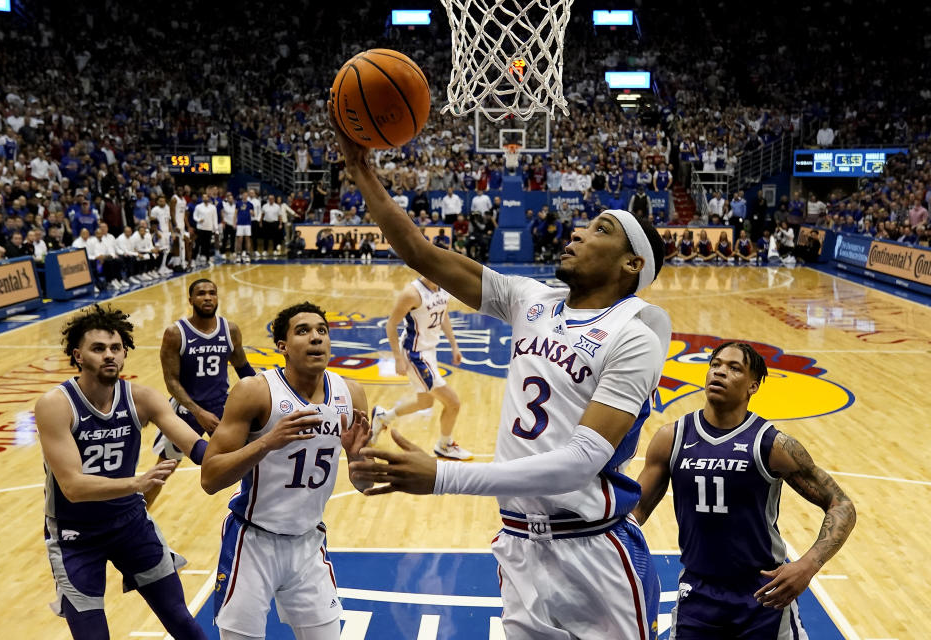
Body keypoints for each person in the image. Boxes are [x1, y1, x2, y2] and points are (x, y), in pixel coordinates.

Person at [332, 107, 671, 640]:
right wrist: (363, 172)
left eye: (600, 230)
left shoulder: (635, 335)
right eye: (584, 225)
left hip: (593, 550)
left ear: (632, 265)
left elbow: (579, 464)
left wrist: (444, 477)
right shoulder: (531, 299)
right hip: (516, 543)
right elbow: (422, 253)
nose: (578, 233)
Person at [632, 342, 855, 638]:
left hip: (763, 593)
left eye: (734, 368)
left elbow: (841, 504)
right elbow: (635, 514)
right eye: (716, 365)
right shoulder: (671, 438)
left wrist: (808, 565)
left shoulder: (772, 445)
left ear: (753, 386)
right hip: (698, 592)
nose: (720, 372)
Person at [33, 305, 209, 640]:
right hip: (75, 536)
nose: (109, 355)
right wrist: (136, 483)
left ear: (125, 353)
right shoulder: (55, 404)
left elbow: (198, 449)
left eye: (116, 348)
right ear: (78, 355)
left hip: (132, 526)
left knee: (183, 622)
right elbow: (73, 486)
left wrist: (257, 447)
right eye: (98, 349)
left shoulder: (142, 398)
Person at [201, 302, 373, 640]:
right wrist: (267, 442)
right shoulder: (255, 392)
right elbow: (209, 477)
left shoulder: (350, 394)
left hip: (309, 543)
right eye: (303, 331)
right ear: (282, 347)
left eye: (322, 331)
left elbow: (363, 484)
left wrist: (357, 460)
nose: (316, 338)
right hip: (252, 542)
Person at [145, 279, 257, 506]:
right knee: (163, 470)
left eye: (212, 293)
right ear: (191, 300)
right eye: (201, 293)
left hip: (222, 408)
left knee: (249, 462)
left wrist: (267, 393)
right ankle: (138, 516)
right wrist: (198, 412)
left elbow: (243, 367)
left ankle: (254, 510)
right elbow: (171, 381)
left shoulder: (230, 330)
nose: (207, 297)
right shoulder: (175, 333)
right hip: (186, 410)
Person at [372, 276, 470, 460]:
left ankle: (383, 417)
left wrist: (454, 345)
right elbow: (391, 325)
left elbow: (444, 315)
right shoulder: (412, 293)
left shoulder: (443, 286)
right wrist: (398, 358)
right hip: (415, 354)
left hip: (429, 351)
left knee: (425, 402)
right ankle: (445, 445)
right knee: (453, 402)